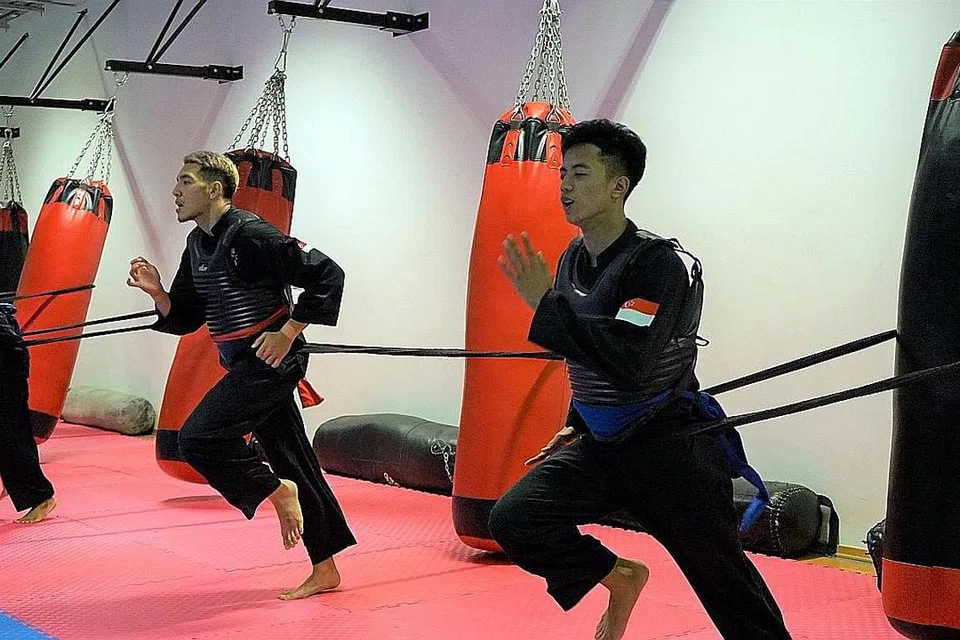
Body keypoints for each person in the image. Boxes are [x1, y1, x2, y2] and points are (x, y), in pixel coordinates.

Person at [489, 119, 791, 640]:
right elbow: (583, 352)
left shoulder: (658, 265)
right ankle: (620, 576)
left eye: (580, 174)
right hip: (604, 447)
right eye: (563, 173)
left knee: (726, 584)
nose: (565, 186)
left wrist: (544, 304)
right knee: (514, 519)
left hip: (669, 449)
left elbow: (630, 359)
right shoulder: (571, 260)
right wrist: (577, 420)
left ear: (618, 186)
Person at [127, 151, 356, 600]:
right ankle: (325, 567)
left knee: (197, 438)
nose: (175, 191)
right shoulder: (197, 244)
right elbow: (187, 314)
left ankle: (275, 491)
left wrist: (288, 333)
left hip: (271, 362)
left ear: (214, 189)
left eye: (186, 181)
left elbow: (328, 274)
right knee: (295, 461)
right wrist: (158, 293)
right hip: (244, 363)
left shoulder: (251, 233)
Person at [0, 302, 57, 524]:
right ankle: (11, 481)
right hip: (8, 359)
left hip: (6, 365)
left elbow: (10, 343)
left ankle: (40, 497)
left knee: (12, 432)